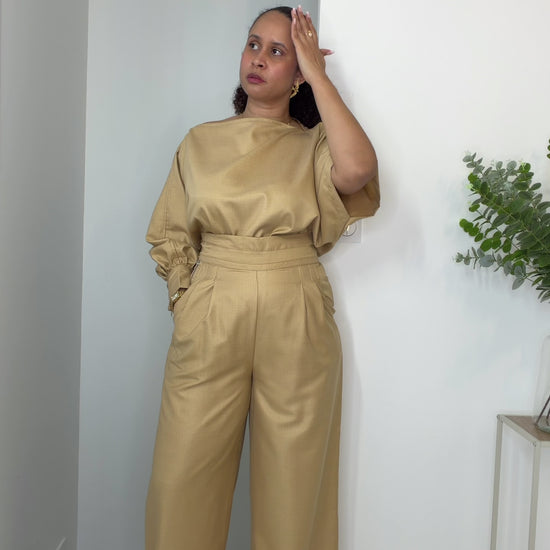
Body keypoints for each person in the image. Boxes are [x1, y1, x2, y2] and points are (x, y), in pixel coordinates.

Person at [145, 5, 379, 550]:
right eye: (254, 44)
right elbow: (171, 231)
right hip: (212, 300)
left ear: (297, 73)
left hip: (294, 301)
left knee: (295, 485)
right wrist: (185, 297)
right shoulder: (199, 142)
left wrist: (318, 75)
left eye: (279, 52)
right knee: (181, 481)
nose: (259, 58)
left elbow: (358, 170)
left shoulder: (313, 146)